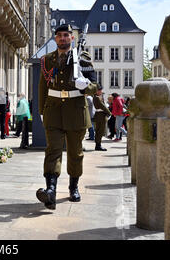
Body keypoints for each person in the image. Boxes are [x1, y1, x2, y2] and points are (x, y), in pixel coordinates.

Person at [36, 23, 97, 210]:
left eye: (66, 35)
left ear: (72, 37)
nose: (63, 38)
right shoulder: (47, 59)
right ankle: (51, 190)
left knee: (75, 153)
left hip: (76, 111)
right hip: (53, 111)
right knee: (52, 151)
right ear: (55, 38)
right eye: (59, 35)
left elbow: (95, 87)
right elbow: (43, 87)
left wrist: (84, 85)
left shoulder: (82, 58)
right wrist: (41, 111)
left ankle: (73, 187)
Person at [93, 84, 111, 151]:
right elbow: (102, 106)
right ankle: (98, 145)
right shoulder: (97, 97)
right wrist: (109, 112)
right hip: (100, 115)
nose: (101, 91)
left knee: (99, 131)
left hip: (99, 115)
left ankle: (98, 144)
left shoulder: (97, 97)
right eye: (99, 90)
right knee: (100, 131)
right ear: (96, 91)